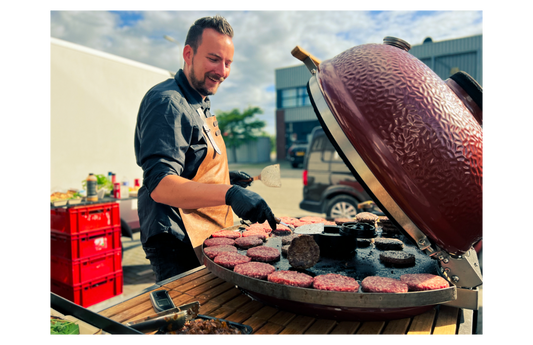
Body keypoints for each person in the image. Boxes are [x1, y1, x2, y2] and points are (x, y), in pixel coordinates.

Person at [134, 15, 276, 283]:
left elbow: (190, 164)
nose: (222, 71)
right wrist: (229, 194)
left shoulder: (200, 100)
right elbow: (161, 185)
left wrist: (224, 178)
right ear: (188, 53)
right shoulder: (168, 103)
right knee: (186, 321)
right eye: (213, 59)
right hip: (177, 238)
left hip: (203, 229)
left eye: (228, 63)